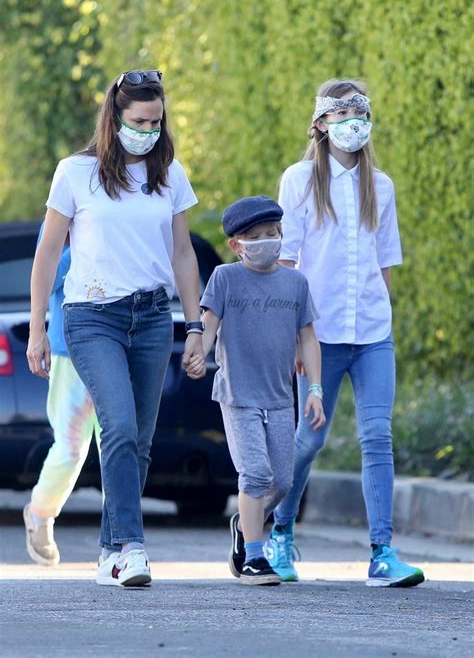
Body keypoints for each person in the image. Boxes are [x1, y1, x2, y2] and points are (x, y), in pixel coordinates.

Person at [27, 69, 204, 588]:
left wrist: (195, 326)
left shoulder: (170, 174)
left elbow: (182, 253)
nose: (149, 131)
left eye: (156, 122)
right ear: (115, 117)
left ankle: (110, 553)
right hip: (92, 316)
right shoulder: (75, 173)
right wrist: (38, 328)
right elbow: (47, 252)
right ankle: (131, 547)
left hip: (151, 317)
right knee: (119, 427)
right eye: (139, 121)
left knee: (139, 442)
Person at [266, 78, 425, 587]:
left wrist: (383, 314)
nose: (353, 124)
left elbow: (386, 263)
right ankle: (279, 532)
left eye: (361, 115)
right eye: (342, 115)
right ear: (321, 123)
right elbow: (287, 261)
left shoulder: (381, 186)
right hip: (319, 335)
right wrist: (292, 336)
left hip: (373, 333)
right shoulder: (299, 181)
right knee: (309, 439)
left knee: (377, 435)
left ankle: (382, 552)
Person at [185, 196, 325, 585]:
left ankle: (245, 525)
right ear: (237, 245)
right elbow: (210, 324)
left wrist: (315, 389)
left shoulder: (295, 283)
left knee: (282, 481)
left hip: (280, 397)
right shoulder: (225, 278)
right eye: (258, 236)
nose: (268, 241)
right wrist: (200, 353)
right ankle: (254, 556)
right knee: (256, 473)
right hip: (238, 395)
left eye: (273, 233)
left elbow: (308, 338)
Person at [23, 228, 100, 566]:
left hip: (120, 344)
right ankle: (39, 514)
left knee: (119, 444)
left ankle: (121, 539)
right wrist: (82, 249)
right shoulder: (60, 213)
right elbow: (47, 276)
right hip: (69, 348)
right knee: (71, 448)